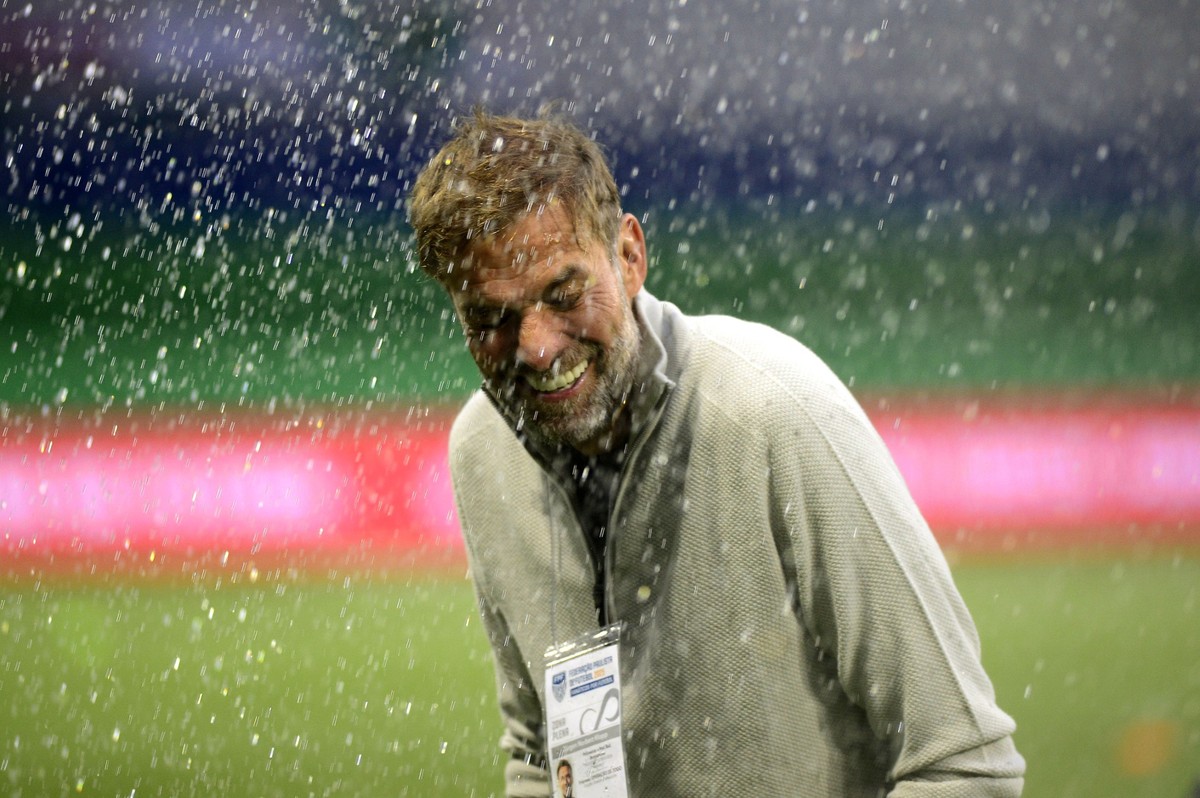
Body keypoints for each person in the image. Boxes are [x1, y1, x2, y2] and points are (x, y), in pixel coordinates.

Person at [408, 109, 1025, 796]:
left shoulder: (774, 412)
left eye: (564, 293)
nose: (538, 346)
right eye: (490, 318)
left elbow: (967, 764)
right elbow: (538, 755)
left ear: (630, 255)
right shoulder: (482, 453)